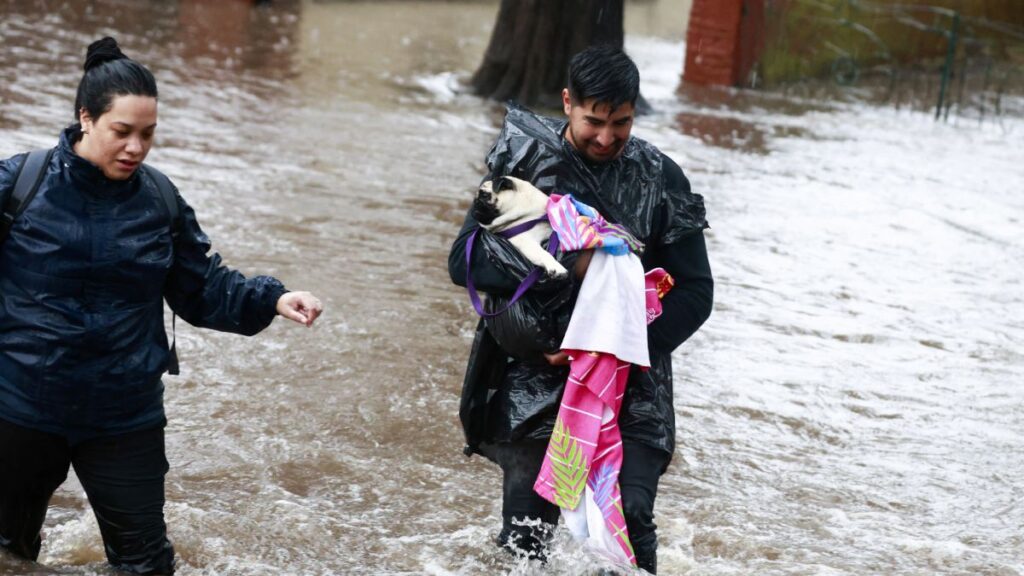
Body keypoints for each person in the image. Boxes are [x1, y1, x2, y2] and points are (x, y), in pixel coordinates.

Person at [0, 37, 323, 575]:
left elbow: (202, 288)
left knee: (147, 564)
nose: (136, 148)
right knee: (10, 555)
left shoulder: (160, 201)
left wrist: (273, 297)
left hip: (124, 413)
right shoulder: (19, 186)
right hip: (21, 408)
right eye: (121, 132)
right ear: (86, 118)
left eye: (147, 134)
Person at [448, 45, 713, 574]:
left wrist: (614, 351)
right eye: (593, 121)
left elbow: (696, 293)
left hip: (629, 383)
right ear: (568, 103)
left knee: (631, 520)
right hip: (533, 380)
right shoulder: (523, 164)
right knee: (527, 537)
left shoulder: (663, 180)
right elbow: (464, 262)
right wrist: (569, 264)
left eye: (622, 123)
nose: (607, 137)